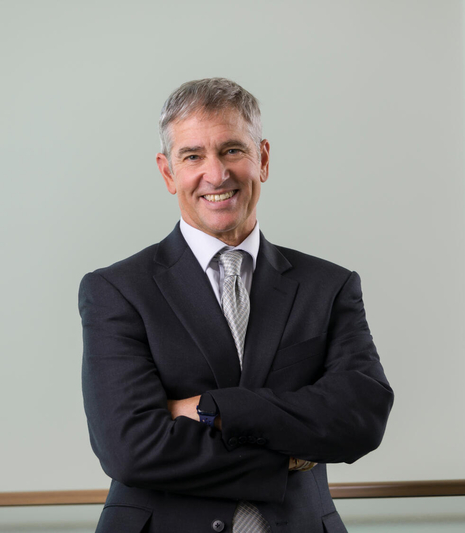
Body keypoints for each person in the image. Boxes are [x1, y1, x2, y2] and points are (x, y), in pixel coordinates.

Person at [79, 78, 393, 533]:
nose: (216, 174)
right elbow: (130, 448)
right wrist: (285, 459)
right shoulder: (117, 290)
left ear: (262, 159)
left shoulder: (329, 286)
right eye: (192, 156)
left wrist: (216, 409)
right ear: (168, 173)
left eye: (232, 150)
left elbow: (361, 417)